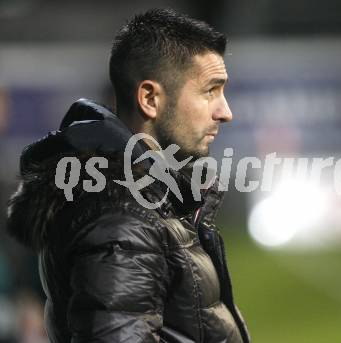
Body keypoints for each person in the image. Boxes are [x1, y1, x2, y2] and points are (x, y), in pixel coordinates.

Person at [6, 8, 250, 343]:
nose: (226, 112)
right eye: (210, 91)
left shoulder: (143, 195)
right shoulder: (119, 211)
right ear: (150, 99)